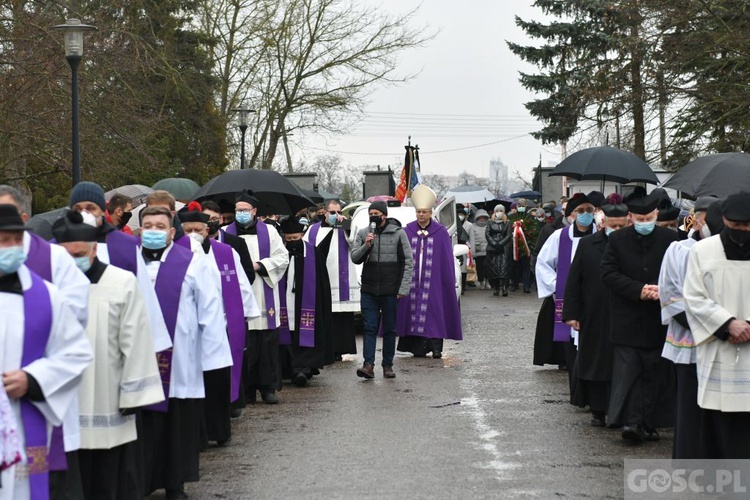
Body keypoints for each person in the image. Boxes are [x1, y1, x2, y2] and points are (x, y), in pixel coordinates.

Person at [52, 210, 164, 499]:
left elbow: (137, 341)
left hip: (108, 397)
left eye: (79, 254)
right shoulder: (48, 286)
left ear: (93, 249)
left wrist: (133, 394)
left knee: (108, 481)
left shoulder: (122, 282)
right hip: (63, 400)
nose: (73, 262)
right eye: (67, 256)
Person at [138, 206, 232, 499]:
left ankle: (175, 482)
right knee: (144, 422)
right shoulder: (127, 264)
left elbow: (211, 310)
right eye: (148, 225)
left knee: (177, 423)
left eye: (159, 226)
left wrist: (212, 359)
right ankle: (141, 480)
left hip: (181, 360)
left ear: (170, 232)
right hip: (137, 361)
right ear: (140, 231)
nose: (153, 230)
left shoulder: (192, 263)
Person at [0, 204, 92, 500]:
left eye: (17, 240)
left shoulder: (46, 296)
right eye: (5, 240)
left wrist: (33, 379)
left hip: (21, 420)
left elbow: (76, 352)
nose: (13, 247)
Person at [178, 207, 259, 446]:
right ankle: (198, 434)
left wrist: (247, 313)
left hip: (221, 325)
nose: (193, 234)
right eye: (188, 230)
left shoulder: (226, 252)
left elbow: (241, 284)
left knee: (216, 380)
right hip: (189, 328)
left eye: (197, 230)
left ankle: (218, 430)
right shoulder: (176, 254)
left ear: (206, 231)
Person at [601, 194, 679, 443]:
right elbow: (609, 273)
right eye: (640, 219)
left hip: (660, 317)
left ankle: (650, 422)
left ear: (656, 216)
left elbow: (681, 272)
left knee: (655, 373)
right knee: (629, 372)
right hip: (628, 317)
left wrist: (661, 289)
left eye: (649, 218)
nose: (645, 222)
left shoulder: (671, 239)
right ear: (631, 218)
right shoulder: (618, 240)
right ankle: (632, 422)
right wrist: (638, 290)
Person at [683, 192, 750, 458]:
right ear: (724, 219)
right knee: (723, 425)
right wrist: (727, 324)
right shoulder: (703, 250)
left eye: (747, 226)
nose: (742, 232)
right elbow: (693, 297)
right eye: (736, 226)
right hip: (719, 347)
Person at [68, 182, 171, 353]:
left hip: (116, 345)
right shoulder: (56, 247)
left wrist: (153, 346)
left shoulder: (127, 247)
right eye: (77, 209)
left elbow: (144, 297)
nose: (84, 214)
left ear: (102, 211)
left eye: (90, 208)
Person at [659, 198, 723, 459]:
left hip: (724, 341)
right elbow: (670, 292)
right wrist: (705, 326)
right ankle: (687, 458)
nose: (707, 224)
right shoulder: (678, 250)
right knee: (689, 403)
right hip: (690, 338)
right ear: (694, 220)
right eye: (703, 219)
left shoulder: (731, 250)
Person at [562, 203, 629, 427]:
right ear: (603, 223)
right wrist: (572, 313)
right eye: (613, 225)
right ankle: (598, 410)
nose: (617, 230)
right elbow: (574, 280)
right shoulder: (588, 244)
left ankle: (621, 410)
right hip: (594, 313)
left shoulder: (632, 244)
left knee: (622, 364)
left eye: (622, 226)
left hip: (625, 313)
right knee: (596, 363)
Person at [223, 191, 289, 404]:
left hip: (262, 290)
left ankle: (268, 388)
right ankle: (247, 389)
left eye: (245, 210)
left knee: (266, 343)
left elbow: (282, 258)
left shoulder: (269, 232)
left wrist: (259, 265)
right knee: (244, 342)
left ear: (254, 211)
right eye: (238, 210)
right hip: (237, 292)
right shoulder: (226, 233)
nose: (241, 213)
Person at [535, 193, 597, 395]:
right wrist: (557, 286)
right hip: (567, 297)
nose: (586, 214)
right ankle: (578, 391)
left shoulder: (600, 235)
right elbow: (543, 263)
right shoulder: (559, 237)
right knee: (572, 348)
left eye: (589, 210)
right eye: (580, 211)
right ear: (571, 215)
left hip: (594, 298)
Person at [396, 185, 462, 359]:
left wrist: (447, 281)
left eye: (424, 212)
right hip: (412, 281)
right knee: (412, 313)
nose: (421, 215)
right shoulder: (407, 231)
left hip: (433, 282)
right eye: (419, 212)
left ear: (431, 212)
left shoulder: (440, 233)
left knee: (434, 313)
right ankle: (418, 348)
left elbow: (446, 260)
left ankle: (436, 348)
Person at [351, 201, 413, 379]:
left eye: (377, 213)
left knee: (389, 329)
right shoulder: (364, 233)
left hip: (390, 290)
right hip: (369, 289)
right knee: (369, 327)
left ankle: (388, 365)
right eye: (371, 213)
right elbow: (355, 257)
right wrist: (366, 245)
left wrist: (403, 288)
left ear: (384, 215)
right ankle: (368, 365)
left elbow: (408, 262)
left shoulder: (399, 233)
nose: (374, 216)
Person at [278, 217, 333, 386]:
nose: (292, 242)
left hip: (307, 301)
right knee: (286, 331)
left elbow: (322, 280)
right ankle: (287, 368)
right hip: (285, 299)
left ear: (301, 235)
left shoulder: (313, 252)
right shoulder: (279, 252)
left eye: (295, 238)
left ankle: (304, 368)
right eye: (289, 239)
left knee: (306, 331)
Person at [304, 199, 359, 359]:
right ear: (324, 213)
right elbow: (308, 250)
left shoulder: (346, 227)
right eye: (333, 212)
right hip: (322, 277)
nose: (337, 215)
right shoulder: (313, 230)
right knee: (325, 314)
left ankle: (340, 349)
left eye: (339, 212)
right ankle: (325, 348)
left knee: (341, 316)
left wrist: (347, 226)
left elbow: (355, 244)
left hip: (342, 279)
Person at [507, 198, 539, 293]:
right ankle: (514, 284)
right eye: (519, 205)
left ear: (526, 206)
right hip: (514, 246)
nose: (521, 207)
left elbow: (534, 231)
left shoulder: (530, 217)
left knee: (526, 267)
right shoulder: (511, 218)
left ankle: (526, 285)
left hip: (526, 246)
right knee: (514, 266)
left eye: (522, 205)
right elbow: (508, 231)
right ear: (516, 206)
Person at [485, 205, 512, 296]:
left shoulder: (507, 222)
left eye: (501, 210)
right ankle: (496, 287)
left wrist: (500, 243)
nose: (499, 212)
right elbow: (487, 234)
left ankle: (504, 288)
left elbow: (508, 235)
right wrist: (494, 243)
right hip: (493, 248)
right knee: (494, 269)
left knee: (504, 269)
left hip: (504, 248)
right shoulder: (490, 222)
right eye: (497, 210)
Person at [470, 209, 489, 289]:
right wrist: (473, 251)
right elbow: (472, 239)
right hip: (478, 251)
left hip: (488, 250)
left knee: (487, 267)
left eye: (483, 217)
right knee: (479, 268)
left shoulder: (489, 225)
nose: (482, 219)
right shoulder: (473, 226)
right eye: (480, 217)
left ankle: (487, 281)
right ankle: (481, 282)